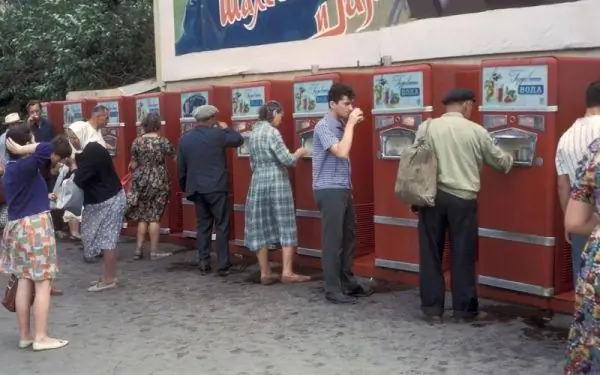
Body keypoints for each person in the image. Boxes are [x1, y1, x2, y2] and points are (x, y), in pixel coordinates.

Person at [414, 88, 513, 322]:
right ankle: (464, 310)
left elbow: (415, 159)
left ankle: (432, 307)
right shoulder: (476, 131)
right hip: (462, 199)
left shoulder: (426, 127)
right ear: (467, 105)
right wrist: (511, 157)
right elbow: (499, 162)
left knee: (430, 254)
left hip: (431, 197)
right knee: (463, 254)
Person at [1, 122, 71, 351]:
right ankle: (41, 337)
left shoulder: (10, 169)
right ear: (24, 144)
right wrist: (26, 149)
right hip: (35, 226)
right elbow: (46, 148)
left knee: (24, 280)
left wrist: (20, 150)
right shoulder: (27, 164)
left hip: (17, 226)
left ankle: (25, 335)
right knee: (43, 282)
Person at [312, 83, 373, 304]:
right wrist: (351, 126)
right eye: (346, 103)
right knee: (333, 241)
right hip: (329, 190)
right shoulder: (323, 126)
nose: (350, 108)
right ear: (332, 104)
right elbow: (341, 151)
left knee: (348, 238)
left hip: (342, 189)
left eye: (351, 103)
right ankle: (332, 288)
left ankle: (348, 282)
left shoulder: (340, 124)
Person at [244, 101, 311, 285]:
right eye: (281, 115)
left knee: (260, 224)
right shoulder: (272, 132)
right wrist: (299, 152)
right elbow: (286, 159)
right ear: (274, 113)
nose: (282, 119)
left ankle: (265, 272)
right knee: (285, 221)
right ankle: (287, 272)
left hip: (258, 180)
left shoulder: (254, 132)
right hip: (276, 180)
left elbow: (252, 162)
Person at [177, 105, 244, 276]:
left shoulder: (184, 139)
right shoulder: (218, 135)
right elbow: (238, 139)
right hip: (217, 187)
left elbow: (181, 168)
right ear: (212, 118)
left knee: (203, 226)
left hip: (197, 189)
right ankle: (222, 263)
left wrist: (186, 187)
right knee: (221, 225)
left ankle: (203, 261)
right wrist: (226, 128)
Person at [67, 121, 126, 292]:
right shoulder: (87, 149)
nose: (73, 141)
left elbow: (79, 179)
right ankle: (108, 276)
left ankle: (109, 279)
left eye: (74, 137)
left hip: (109, 199)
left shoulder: (92, 151)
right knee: (103, 239)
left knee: (107, 240)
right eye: (70, 137)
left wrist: (72, 166)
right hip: (102, 199)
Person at [556, 80, 600, 285]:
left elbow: (563, 185)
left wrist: (569, 219)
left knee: (584, 283)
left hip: (582, 220)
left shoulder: (567, 137)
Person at [126, 112, 175, 260]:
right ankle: (154, 251)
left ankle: (138, 249)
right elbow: (175, 157)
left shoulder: (137, 141)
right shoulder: (162, 141)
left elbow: (133, 164)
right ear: (158, 125)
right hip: (159, 179)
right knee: (154, 216)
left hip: (140, 178)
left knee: (142, 216)